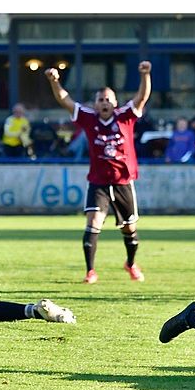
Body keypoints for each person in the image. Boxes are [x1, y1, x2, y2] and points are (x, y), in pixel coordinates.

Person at [45, 60, 152, 284]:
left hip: (123, 181)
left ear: (114, 103)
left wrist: (144, 75)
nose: (104, 103)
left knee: (129, 228)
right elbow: (65, 100)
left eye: (108, 100)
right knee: (93, 223)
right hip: (99, 182)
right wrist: (55, 82)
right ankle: (90, 271)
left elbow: (142, 97)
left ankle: (131, 264)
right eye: (100, 100)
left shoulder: (125, 116)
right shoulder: (88, 118)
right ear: (95, 104)